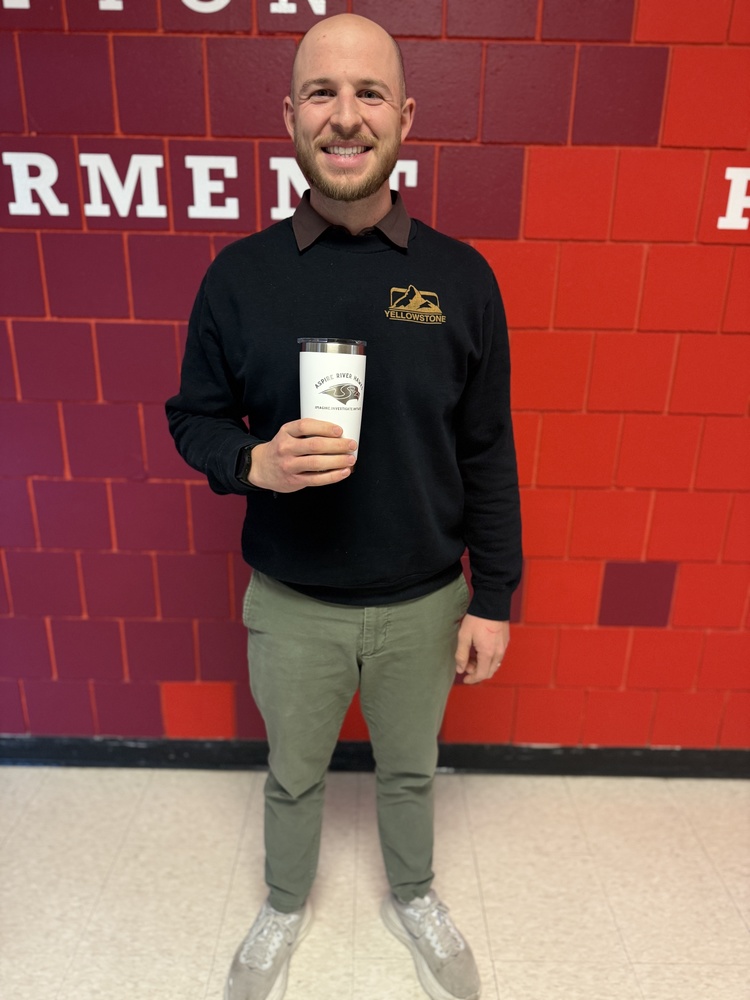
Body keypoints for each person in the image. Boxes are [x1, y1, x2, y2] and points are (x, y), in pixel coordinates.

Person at [166, 13, 521, 1000]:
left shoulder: (460, 280)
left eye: (369, 94)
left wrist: (494, 596)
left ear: (405, 118)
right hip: (292, 604)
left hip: (423, 603)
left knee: (411, 773)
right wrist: (252, 462)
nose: (346, 115)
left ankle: (414, 893)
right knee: (293, 774)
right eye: (323, 92)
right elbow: (191, 418)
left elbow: (489, 450)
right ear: (290, 116)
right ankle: (285, 901)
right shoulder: (240, 278)